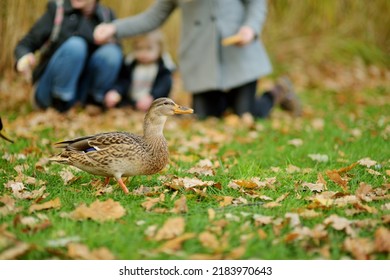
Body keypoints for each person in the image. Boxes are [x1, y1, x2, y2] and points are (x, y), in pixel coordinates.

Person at [94, 0, 301, 119]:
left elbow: (256, 3)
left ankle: (277, 92)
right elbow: (152, 18)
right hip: (201, 59)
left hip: (238, 52)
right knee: (205, 116)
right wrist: (115, 28)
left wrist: (250, 28)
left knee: (245, 113)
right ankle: (226, 99)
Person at [14, 0, 123, 112]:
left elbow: (121, 64)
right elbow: (25, 44)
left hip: (82, 91)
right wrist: (24, 57)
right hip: (49, 89)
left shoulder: (106, 16)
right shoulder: (58, 11)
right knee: (76, 45)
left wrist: (116, 90)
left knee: (112, 51)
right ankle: (59, 104)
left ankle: (95, 101)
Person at [104, 30, 174, 111]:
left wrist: (153, 97)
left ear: (159, 50)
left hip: (153, 105)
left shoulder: (162, 68)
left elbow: (163, 85)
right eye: (139, 48)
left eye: (149, 49)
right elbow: (123, 81)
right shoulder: (130, 65)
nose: (143, 53)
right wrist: (116, 91)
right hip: (130, 103)